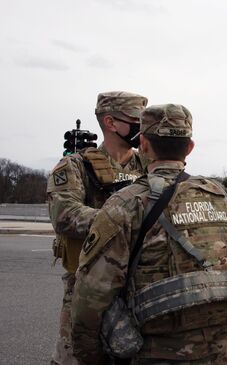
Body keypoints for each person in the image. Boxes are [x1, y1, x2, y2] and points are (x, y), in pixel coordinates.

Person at [70, 104, 227, 365]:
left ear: (144, 145)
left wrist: (89, 355)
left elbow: (92, 294)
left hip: (153, 353)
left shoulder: (125, 204)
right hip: (219, 351)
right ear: (190, 147)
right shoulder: (224, 197)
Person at [47, 91, 149, 365]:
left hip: (141, 284)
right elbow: (65, 215)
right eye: (136, 120)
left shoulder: (149, 165)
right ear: (110, 122)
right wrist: (128, 220)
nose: (143, 127)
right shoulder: (76, 165)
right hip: (87, 284)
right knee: (77, 357)